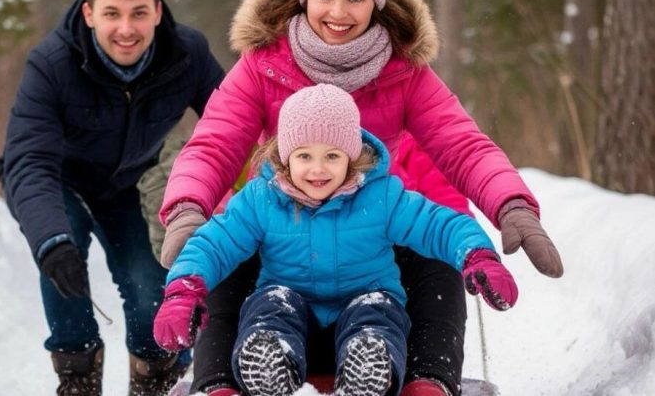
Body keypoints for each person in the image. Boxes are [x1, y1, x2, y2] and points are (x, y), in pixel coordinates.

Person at [158, 0, 564, 395]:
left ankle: (424, 381)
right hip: (282, 249)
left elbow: (461, 144)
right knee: (228, 248)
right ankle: (221, 384)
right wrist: (188, 207)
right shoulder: (263, 64)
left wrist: (511, 205)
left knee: (434, 252)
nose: (339, 12)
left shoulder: (403, 69)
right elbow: (216, 143)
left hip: (366, 248)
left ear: (376, 2)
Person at [152, 84, 517, 396]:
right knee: (270, 305)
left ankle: (369, 367)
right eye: (304, 156)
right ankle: (269, 361)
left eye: (332, 156)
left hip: (364, 306)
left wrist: (478, 255)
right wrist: (183, 289)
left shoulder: (381, 196)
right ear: (285, 157)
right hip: (289, 310)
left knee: (377, 311)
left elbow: (439, 224)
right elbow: (214, 242)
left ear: (351, 156)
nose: (318, 169)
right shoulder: (261, 199)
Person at [0, 0, 224, 394]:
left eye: (138, 13)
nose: (126, 29)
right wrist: (50, 241)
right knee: (63, 260)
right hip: (59, 181)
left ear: (158, 11)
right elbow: (29, 160)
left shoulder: (187, 53)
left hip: (131, 182)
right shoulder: (51, 64)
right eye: (112, 14)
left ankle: (156, 375)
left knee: (148, 287)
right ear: (89, 14)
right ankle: (77, 375)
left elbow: (233, 123)